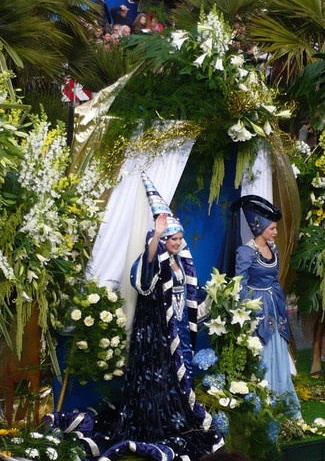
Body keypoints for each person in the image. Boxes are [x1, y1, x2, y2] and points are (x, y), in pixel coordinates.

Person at [101, 173, 224, 461]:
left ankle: (179, 421)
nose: (179, 243)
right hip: (156, 334)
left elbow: (187, 295)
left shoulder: (182, 261)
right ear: (164, 239)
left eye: (180, 239)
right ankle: (153, 423)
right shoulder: (153, 258)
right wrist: (156, 235)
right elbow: (143, 279)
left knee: (180, 376)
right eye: (174, 239)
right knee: (158, 378)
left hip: (177, 327)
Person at [234, 195, 301, 418]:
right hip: (258, 311)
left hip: (275, 309)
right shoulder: (246, 252)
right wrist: (250, 309)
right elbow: (240, 282)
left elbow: (274, 280)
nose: (275, 232)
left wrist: (280, 304)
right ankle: (263, 406)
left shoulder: (274, 250)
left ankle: (282, 403)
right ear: (260, 227)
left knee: (278, 351)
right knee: (262, 354)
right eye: (272, 228)